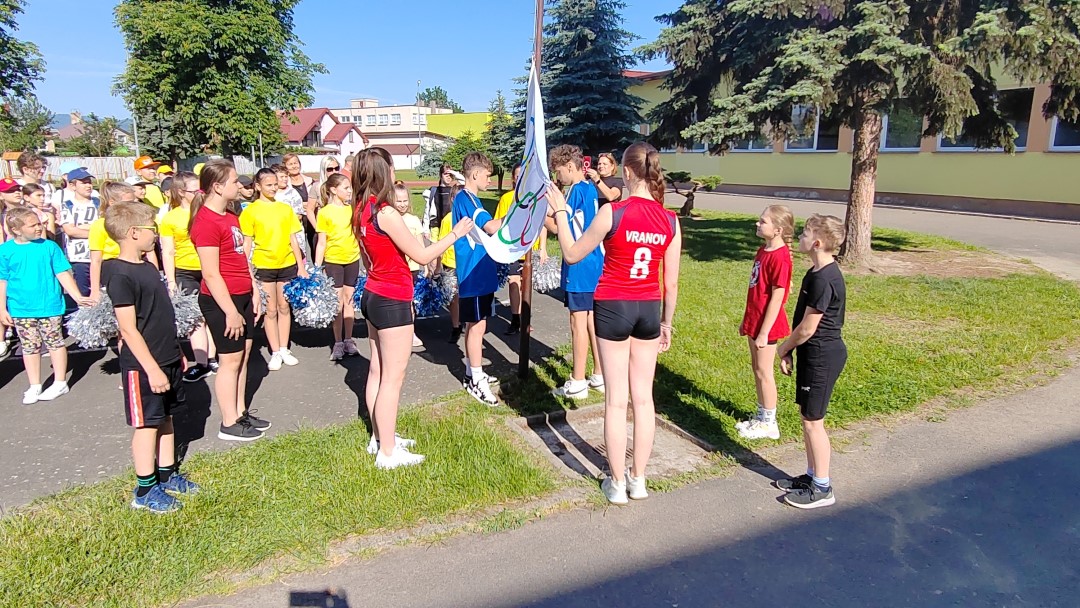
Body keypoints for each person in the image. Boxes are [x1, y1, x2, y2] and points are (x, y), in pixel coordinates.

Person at [546, 141, 681, 505]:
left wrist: (561, 212)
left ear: (626, 171)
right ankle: (639, 479)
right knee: (644, 400)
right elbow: (670, 283)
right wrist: (666, 324)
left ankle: (617, 483)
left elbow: (572, 253)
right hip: (648, 308)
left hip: (613, 306)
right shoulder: (670, 220)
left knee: (617, 402)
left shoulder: (613, 212)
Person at [351, 147, 473, 468]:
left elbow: (367, 258)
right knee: (393, 377)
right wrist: (456, 234)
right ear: (383, 172)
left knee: (377, 371)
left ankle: (381, 438)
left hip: (373, 293)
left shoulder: (361, 208)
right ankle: (388, 454)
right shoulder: (386, 213)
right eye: (391, 168)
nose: (394, 173)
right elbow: (421, 254)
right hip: (392, 299)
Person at [102, 201, 199, 513]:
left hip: (166, 356)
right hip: (144, 367)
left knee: (166, 418)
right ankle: (145, 489)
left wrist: (176, 352)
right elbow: (128, 330)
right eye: (151, 229)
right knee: (147, 425)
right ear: (133, 232)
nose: (155, 234)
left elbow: (161, 316)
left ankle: (167, 474)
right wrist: (153, 369)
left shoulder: (147, 267)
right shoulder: (119, 274)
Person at [189, 159, 267, 441]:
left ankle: (240, 412)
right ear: (218, 187)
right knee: (230, 360)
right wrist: (231, 312)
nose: (240, 185)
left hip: (242, 295)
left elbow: (241, 259)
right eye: (234, 181)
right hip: (223, 301)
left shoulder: (231, 216)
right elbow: (210, 273)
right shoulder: (206, 222)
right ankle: (228, 422)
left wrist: (254, 290)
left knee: (243, 357)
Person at [775, 214, 848, 510]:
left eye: (805, 234)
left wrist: (783, 348)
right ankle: (811, 475)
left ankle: (822, 487)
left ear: (817, 243)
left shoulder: (825, 278)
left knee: (814, 422)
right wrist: (792, 352)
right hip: (810, 353)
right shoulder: (814, 272)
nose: (800, 238)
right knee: (807, 417)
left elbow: (807, 328)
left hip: (822, 356)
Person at [0, 207, 91, 404]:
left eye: (39, 223)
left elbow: (62, 273)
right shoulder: (5, 251)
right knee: (29, 347)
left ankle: (60, 381)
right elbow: (2, 280)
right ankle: (34, 385)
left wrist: (77, 296)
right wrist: (2, 308)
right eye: (32, 225)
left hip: (50, 305)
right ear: (16, 230)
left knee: (55, 343)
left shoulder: (49, 247)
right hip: (20, 308)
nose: (39, 228)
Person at [545, 145, 605, 400]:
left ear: (570, 166)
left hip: (579, 264)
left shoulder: (576, 191)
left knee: (577, 322)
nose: (558, 177)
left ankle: (578, 381)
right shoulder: (589, 188)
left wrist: (539, 215)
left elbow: (560, 227)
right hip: (595, 261)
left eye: (558, 171)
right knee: (591, 320)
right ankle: (599, 375)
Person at [736, 205, 795, 440]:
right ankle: (761, 416)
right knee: (757, 369)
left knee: (764, 372)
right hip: (755, 318)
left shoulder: (780, 257)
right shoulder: (764, 250)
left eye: (763, 222)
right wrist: (747, 320)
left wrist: (763, 332)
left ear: (778, 230)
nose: (757, 224)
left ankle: (769, 422)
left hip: (767, 324)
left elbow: (778, 297)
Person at [241, 168, 307, 370]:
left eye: (275, 184)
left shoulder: (285, 209)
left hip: (286, 263)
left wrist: (301, 266)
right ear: (257, 186)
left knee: (284, 307)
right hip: (263, 265)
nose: (272, 188)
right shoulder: (250, 211)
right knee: (270, 310)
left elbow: (293, 239)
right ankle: (275, 351)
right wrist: (245, 267)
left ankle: (284, 348)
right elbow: (247, 242)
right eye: (268, 185)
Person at [452, 152, 505, 406]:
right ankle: (475, 379)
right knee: (476, 326)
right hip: (472, 273)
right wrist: (516, 215)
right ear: (474, 174)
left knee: (479, 324)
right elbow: (490, 227)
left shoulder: (473, 199)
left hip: (481, 271)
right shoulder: (466, 199)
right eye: (487, 175)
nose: (490, 180)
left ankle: (473, 372)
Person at [160, 171, 218, 381]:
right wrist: (171, 281)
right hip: (185, 271)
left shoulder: (208, 211)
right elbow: (168, 251)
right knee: (195, 317)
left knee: (213, 314)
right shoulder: (170, 218)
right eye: (195, 191)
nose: (200, 194)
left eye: (202, 190)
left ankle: (213, 358)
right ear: (181, 192)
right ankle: (202, 363)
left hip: (210, 268)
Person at [494, 164, 547, 336]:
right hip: (513, 249)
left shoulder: (534, 198)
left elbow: (542, 224)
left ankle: (525, 318)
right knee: (514, 281)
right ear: (513, 179)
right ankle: (515, 319)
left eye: (522, 175)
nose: (519, 179)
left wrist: (543, 248)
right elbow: (499, 224)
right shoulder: (507, 198)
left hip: (530, 249)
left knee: (526, 285)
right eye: (517, 176)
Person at [314, 172, 361, 361]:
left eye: (350, 188)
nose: (349, 191)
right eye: (346, 188)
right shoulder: (324, 212)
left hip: (352, 259)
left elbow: (358, 235)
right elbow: (321, 242)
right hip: (334, 260)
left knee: (349, 300)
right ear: (334, 190)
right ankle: (338, 342)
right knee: (337, 302)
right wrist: (317, 268)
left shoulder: (352, 209)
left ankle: (349, 339)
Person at [89, 182, 156, 303]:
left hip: (136, 264)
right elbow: (96, 260)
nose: (133, 206)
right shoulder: (99, 225)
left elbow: (150, 252)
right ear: (112, 203)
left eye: (134, 201)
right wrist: (95, 290)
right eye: (128, 202)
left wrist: (155, 277)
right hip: (113, 269)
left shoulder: (139, 224)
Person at [392, 183, 427, 349]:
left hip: (412, 268)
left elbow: (420, 244)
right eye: (398, 201)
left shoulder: (413, 220)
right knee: (397, 302)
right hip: (396, 268)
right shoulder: (390, 219)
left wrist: (425, 265)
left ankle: (410, 332)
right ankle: (397, 332)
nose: (402, 204)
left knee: (409, 301)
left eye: (405, 200)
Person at [58, 168, 100, 298]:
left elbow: (105, 227)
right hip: (79, 257)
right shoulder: (67, 205)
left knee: (101, 291)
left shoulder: (99, 203)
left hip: (99, 255)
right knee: (83, 292)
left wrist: (84, 227)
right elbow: (70, 230)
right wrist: (95, 231)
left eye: (89, 182)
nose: (88, 185)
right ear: (72, 185)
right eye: (83, 182)